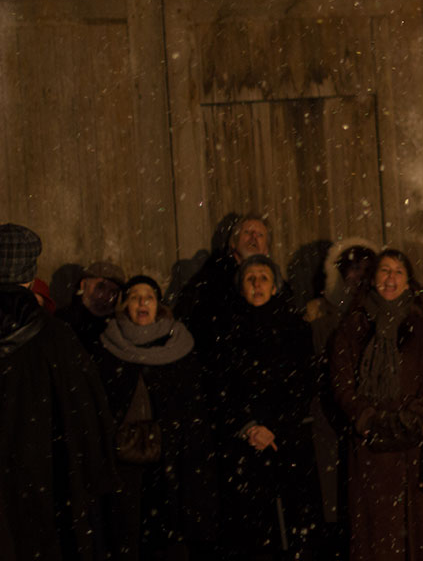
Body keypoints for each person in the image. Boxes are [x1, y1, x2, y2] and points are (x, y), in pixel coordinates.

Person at [330, 248, 423, 561]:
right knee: (379, 536)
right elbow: (342, 385)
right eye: (384, 271)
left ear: (408, 282)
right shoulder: (351, 329)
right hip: (370, 449)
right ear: (374, 278)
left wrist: (413, 417)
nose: (390, 279)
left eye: (398, 272)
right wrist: (368, 419)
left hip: (417, 445)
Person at [0, 223, 119, 560]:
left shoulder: (58, 339)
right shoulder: (58, 340)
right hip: (45, 497)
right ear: (28, 277)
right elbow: (89, 423)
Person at [96, 275, 215, 560]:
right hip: (122, 455)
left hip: (169, 454)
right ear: (125, 305)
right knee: (126, 528)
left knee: (167, 527)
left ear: (158, 305)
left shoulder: (178, 344)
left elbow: (192, 403)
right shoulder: (108, 345)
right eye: (135, 297)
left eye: (148, 297)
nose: (142, 303)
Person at [213, 254, 322, 559]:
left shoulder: (295, 329)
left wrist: (276, 427)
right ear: (241, 288)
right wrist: (249, 426)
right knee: (253, 533)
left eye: (263, 278)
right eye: (250, 279)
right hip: (245, 445)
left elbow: (304, 385)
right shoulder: (227, 330)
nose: (257, 284)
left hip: (288, 442)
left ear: (275, 288)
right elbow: (222, 387)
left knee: (297, 528)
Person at [305, 237, 379, 554]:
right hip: (328, 413)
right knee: (332, 497)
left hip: (370, 413)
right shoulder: (318, 313)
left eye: (365, 270)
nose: (357, 277)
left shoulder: (379, 314)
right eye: (351, 269)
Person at [176, 213, 271, 347]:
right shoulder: (211, 277)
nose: (253, 238)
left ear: (266, 249)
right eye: (248, 232)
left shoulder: (275, 281)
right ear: (233, 243)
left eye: (260, 235)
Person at [57, 260, 127, 358]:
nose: (106, 296)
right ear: (83, 284)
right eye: (100, 287)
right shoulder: (62, 321)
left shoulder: (118, 328)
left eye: (113, 292)